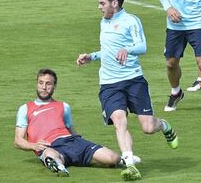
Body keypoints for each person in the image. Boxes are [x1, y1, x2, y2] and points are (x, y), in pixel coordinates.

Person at [76, 0, 178, 181]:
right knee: (119, 121)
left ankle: (165, 126)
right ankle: (130, 165)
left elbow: (142, 46)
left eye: (102, 3)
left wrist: (127, 50)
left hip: (133, 81)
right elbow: (107, 49)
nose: (99, 7)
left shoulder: (131, 21)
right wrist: (92, 56)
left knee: (148, 127)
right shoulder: (103, 21)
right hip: (109, 84)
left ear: (114, 3)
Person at [13, 68, 141, 178]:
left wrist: (83, 142)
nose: (44, 87)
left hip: (73, 141)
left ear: (54, 86)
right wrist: (34, 146)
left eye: (48, 84)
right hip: (51, 145)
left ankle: (122, 160)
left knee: (112, 158)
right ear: (37, 84)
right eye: (41, 83)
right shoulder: (26, 108)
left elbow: (71, 130)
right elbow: (18, 140)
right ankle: (59, 167)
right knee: (49, 154)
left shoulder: (64, 106)